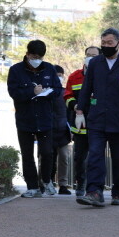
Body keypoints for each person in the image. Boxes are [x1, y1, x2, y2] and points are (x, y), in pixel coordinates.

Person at [75, 28, 119, 207]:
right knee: (95, 155)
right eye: (103, 43)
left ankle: (118, 192)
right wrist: (80, 112)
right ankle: (94, 192)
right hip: (97, 118)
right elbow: (86, 88)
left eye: (110, 43)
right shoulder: (95, 64)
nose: (106, 46)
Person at [7, 40, 62, 198]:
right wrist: (32, 92)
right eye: (34, 56)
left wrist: (47, 92)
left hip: (45, 118)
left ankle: (46, 180)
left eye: (40, 57)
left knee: (47, 152)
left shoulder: (49, 69)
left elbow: (58, 90)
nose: (37, 59)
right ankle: (32, 187)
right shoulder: (16, 70)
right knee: (27, 154)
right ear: (27, 54)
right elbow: (14, 92)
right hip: (25, 119)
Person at [64, 46, 101, 197]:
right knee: (79, 157)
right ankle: (81, 184)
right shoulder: (74, 76)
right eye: (88, 55)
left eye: (94, 55)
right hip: (79, 124)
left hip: (98, 124)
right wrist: (75, 105)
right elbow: (67, 95)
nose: (90, 57)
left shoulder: (104, 75)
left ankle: (94, 187)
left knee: (96, 157)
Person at [51, 65, 72, 195]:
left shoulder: (66, 93)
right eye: (56, 75)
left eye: (60, 75)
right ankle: (45, 181)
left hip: (64, 131)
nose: (58, 77)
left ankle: (63, 184)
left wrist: (72, 129)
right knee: (46, 158)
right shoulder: (45, 92)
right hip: (47, 131)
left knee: (64, 157)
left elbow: (71, 113)